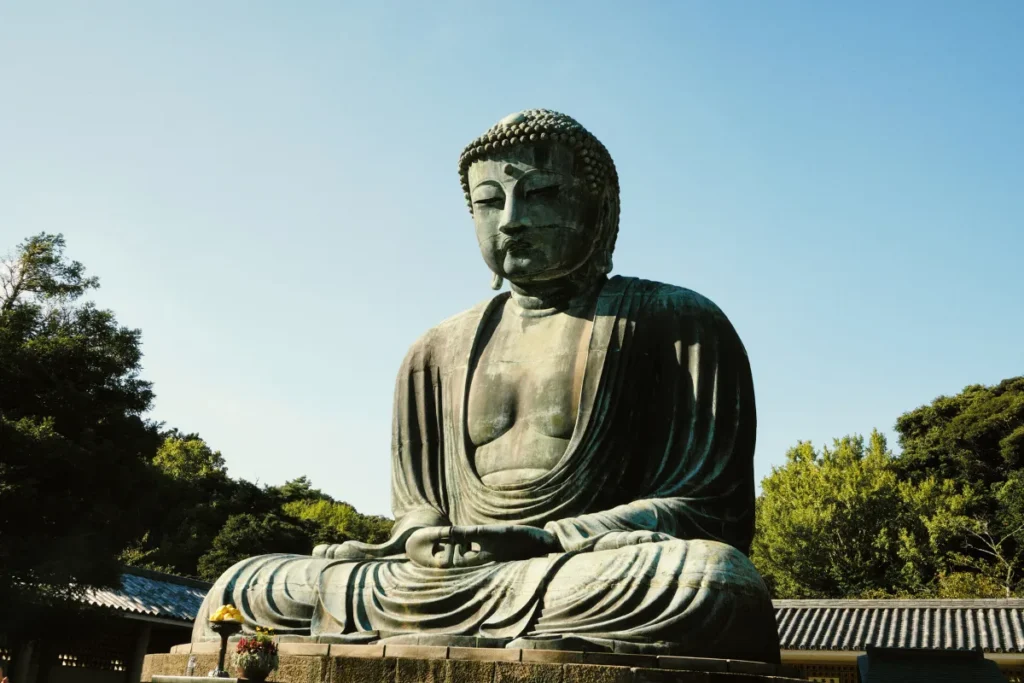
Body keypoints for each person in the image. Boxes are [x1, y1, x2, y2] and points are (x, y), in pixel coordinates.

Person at [193, 110, 779, 662]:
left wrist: (547, 538)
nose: (512, 220)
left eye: (541, 194)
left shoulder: (676, 322)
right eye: (489, 202)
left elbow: (711, 511)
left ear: (598, 207)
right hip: (441, 578)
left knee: (714, 581)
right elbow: (419, 507)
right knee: (242, 586)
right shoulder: (435, 350)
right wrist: (419, 538)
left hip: (578, 569)